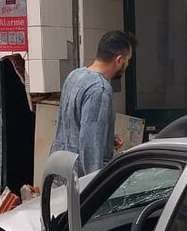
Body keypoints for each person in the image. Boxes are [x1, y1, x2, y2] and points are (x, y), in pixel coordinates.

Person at [51, 30, 135, 176]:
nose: (127, 64)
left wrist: (108, 138)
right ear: (119, 60)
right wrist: (94, 185)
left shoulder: (75, 75)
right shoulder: (100, 89)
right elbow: (90, 146)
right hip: (78, 180)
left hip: (59, 168)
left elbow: (75, 126)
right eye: (128, 60)